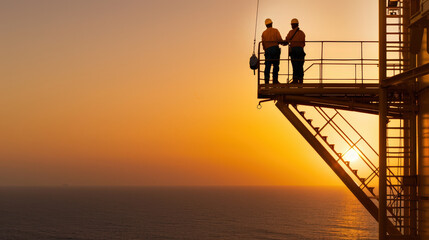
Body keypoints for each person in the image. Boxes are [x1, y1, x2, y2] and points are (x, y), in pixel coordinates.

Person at [262, 18, 283, 84]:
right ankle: (275, 80)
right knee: (276, 65)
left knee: (267, 66)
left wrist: (267, 50)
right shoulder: (275, 31)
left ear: (266, 25)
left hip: (268, 50)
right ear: (271, 23)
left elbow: (263, 44)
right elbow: (279, 40)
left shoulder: (264, 33)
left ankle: (266, 81)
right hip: (275, 49)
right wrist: (284, 42)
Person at [285, 18, 306, 84]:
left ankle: (295, 80)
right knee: (300, 66)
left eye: (292, 24)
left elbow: (286, 41)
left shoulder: (291, 32)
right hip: (300, 51)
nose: (291, 26)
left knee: (294, 66)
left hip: (294, 51)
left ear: (294, 25)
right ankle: (301, 80)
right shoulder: (302, 33)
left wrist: (280, 42)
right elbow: (303, 43)